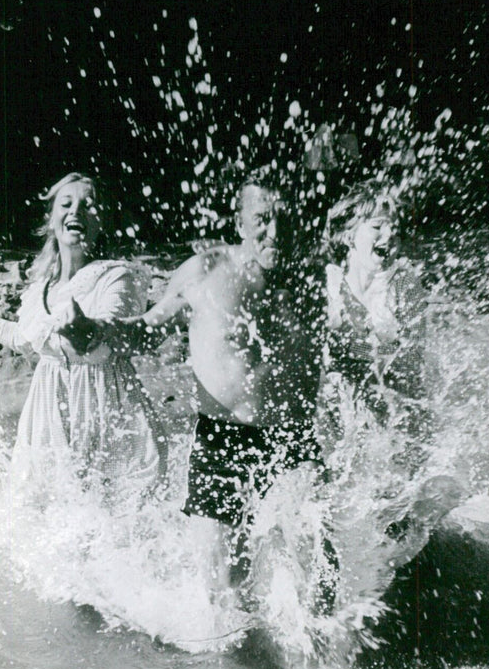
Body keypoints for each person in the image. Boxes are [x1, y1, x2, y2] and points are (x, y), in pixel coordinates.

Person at [58, 174, 324, 580]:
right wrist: (94, 329)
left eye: (286, 219)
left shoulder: (315, 280)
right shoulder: (206, 272)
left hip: (294, 441)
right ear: (239, 224)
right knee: (224, 590)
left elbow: (345, 355)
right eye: (263, 219)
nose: (276, 232)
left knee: (319, 576)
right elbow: (145, 330)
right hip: (224, 443)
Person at [0, 172, 164, 508]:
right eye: (66, 204)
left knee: (111, 514)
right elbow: (23, 338)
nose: (76, 211)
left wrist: (85, 330)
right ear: (52, 220)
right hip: (48, 403)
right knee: (50, 513)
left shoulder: (117, 276)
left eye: (88, 206)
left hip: (102, 401)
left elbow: (114, 336)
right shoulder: (41, 286)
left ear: (101, 222)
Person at [318, 180, 428, 466]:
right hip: (340, 409)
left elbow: (412, 363)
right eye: (378, 226)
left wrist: (365, 346)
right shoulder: (327, 283)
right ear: (348, 235)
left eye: (394, 229)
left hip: (396, 412)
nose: (389, 235)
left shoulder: (404, 286)